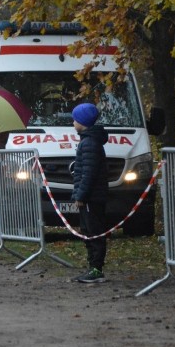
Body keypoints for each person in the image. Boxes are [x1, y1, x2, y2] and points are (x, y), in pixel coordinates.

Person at [71, 103, 109, 283]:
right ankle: (92, 267)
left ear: (83, 122)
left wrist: (81, 195)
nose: (73, 122)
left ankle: (96, 268)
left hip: (91, 198)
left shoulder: (89, 143)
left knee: (94, 232)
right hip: (90, 196)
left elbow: (88, 173)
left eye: (75, 119)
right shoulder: (87, 141)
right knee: (87, 231)